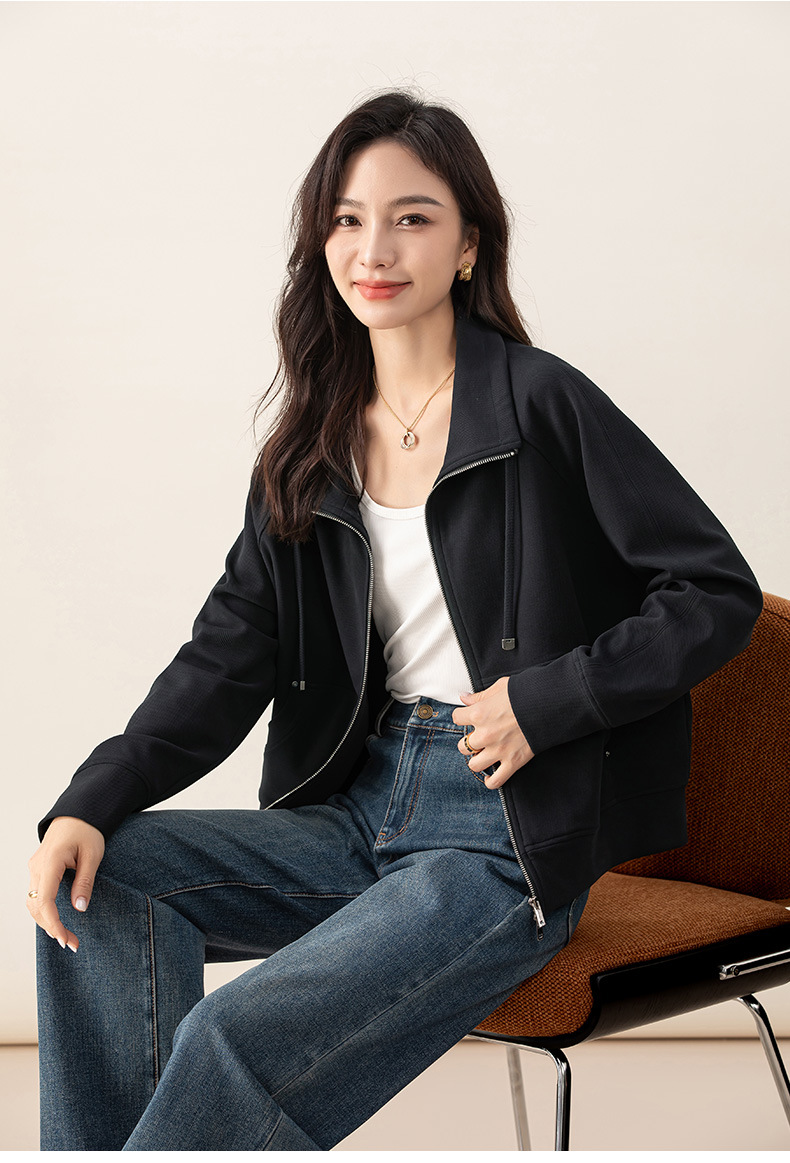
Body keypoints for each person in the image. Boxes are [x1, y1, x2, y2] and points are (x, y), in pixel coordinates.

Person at [27, 89, 763, 1151]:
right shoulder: (311, 442)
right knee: (105, 882)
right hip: (361, 809)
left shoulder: (542, 404)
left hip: (502, 837)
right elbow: (226, 654)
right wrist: (92, 798)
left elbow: (713, 591)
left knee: (236, 1035)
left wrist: (546, 702)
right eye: (347, 219)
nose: (374, 248)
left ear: (468, 246)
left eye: (412, 218)